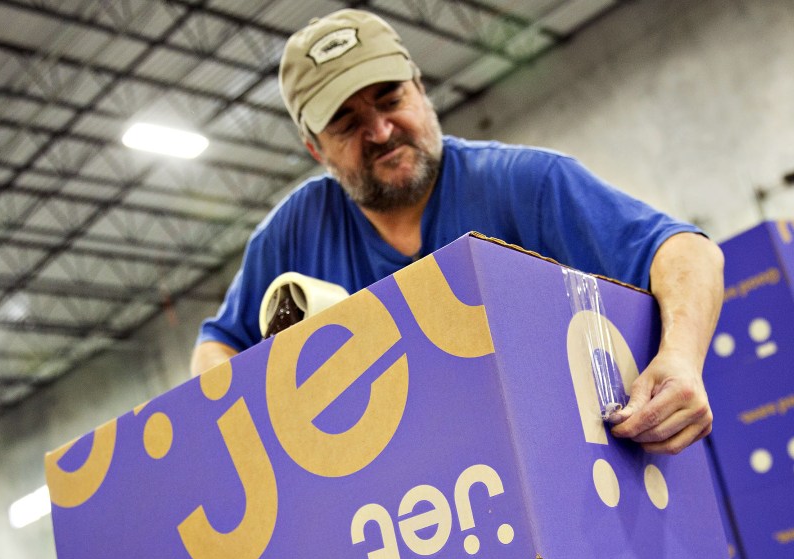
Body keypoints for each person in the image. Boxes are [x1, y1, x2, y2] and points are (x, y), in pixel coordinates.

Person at [192, 9, 723, 455]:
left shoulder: (523, 185)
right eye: (346, 123)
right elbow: (217, 348)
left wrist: (679, 358)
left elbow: (686, 252)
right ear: (316, 149)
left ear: (421, 91)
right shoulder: (295, 233)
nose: (379, 131)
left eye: (390, 98)